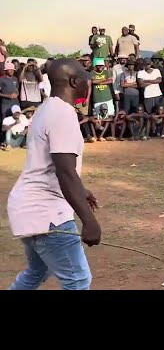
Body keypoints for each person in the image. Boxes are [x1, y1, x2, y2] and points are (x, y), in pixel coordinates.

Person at [7, 58, 101, 290]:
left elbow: (52, 164)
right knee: (78, 280)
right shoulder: (63, 114)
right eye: (85, 78)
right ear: (73, 81)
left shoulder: (47, 108)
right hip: (46, 213)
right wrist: (89, 222)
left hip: (28, 207)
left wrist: (81, 190)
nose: (88, 83)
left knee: (37, 272)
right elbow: (64, 171)